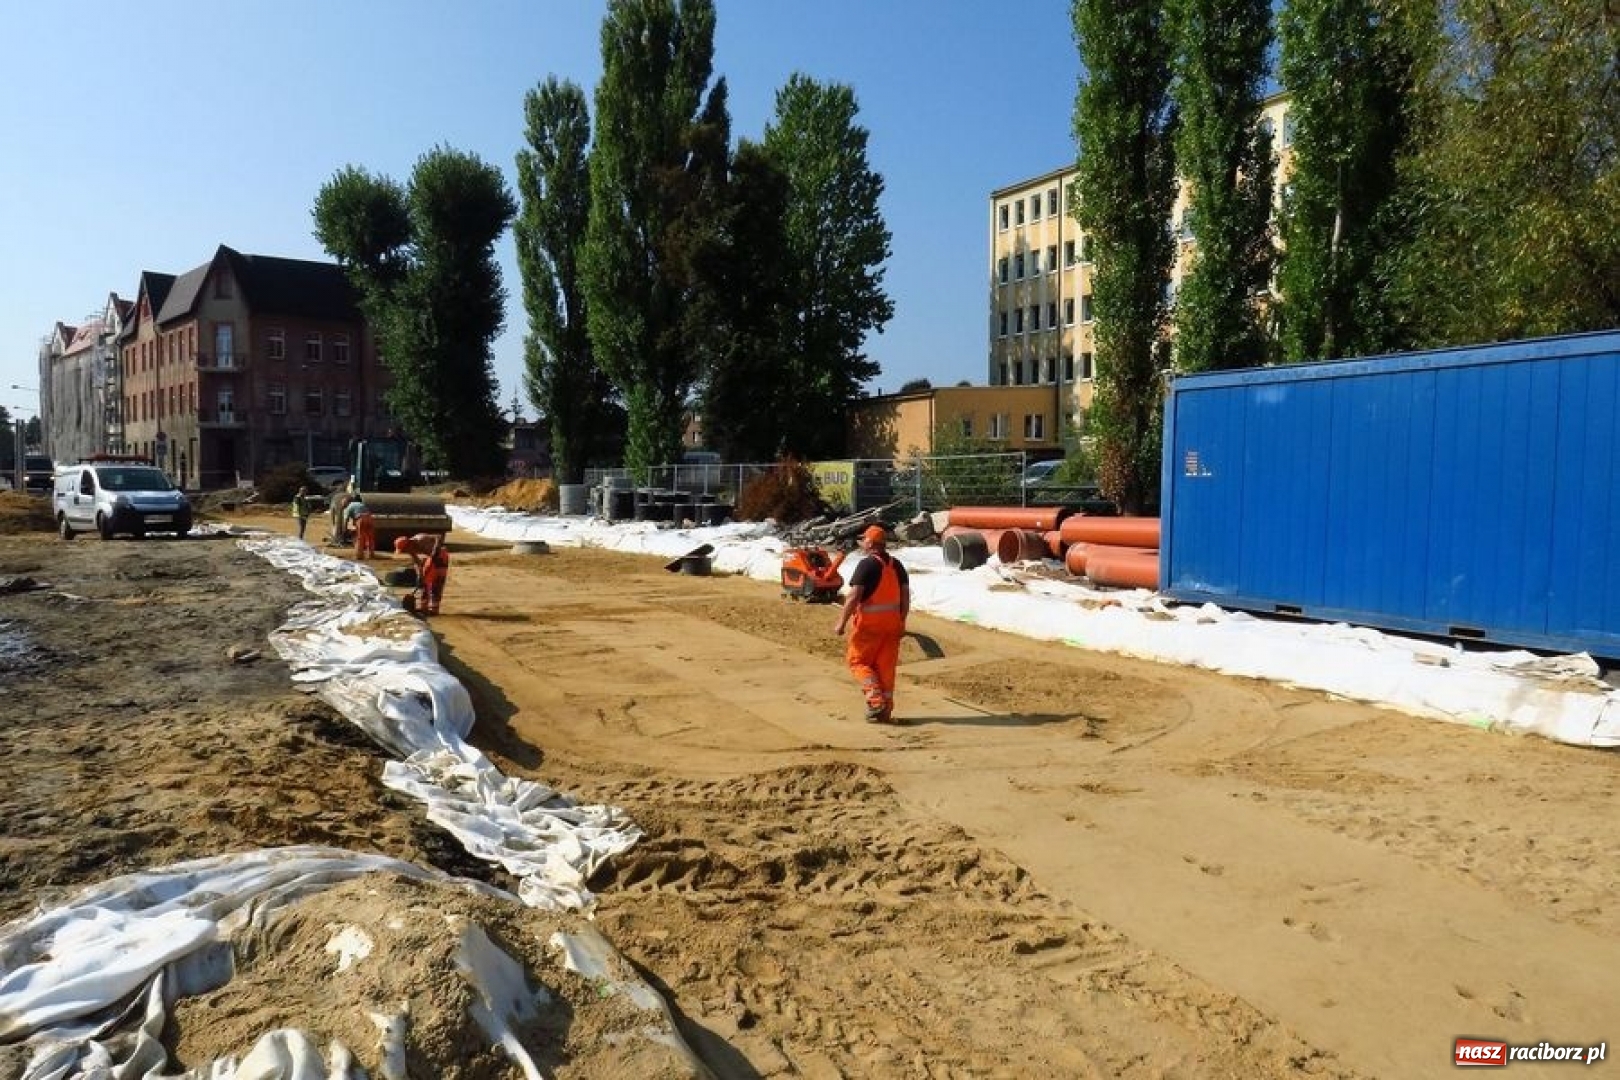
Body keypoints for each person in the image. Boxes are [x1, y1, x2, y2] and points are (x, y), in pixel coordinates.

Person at [834, 524, 910, 724]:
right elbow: (905, 597)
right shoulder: (897, 565)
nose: (862, 543)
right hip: (892, 626)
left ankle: (875, 701)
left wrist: (841, 623)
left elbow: (853, 597)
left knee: (858, 662)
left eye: (864, 539)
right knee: (885, 669)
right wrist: (902, 621)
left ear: (870, 542)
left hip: (869, 627)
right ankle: (885, 711)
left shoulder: (866, 565)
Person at [394, 533, 449, 615]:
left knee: (437, 582)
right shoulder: (411, 549)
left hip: (440, 556)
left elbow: (438, 536)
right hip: (430, 558)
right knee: (424, 582)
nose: (405, 552)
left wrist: (435, 549)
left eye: (404, 550)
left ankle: (434, 609)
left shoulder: (420, 539)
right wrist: (420, 575)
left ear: (409, 544)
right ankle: (424, 607)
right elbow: (417, 562)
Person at [343, 495, 375, 560]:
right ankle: (371, 555)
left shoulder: (349, 507)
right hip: (370, 518)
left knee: (360, 538)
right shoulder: (359, 504)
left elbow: (346, 520)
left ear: (347, 502)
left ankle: (359, 556)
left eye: (344, 504)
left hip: (361, 519)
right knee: (370, 537)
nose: (344, 506)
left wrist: (345, 530)